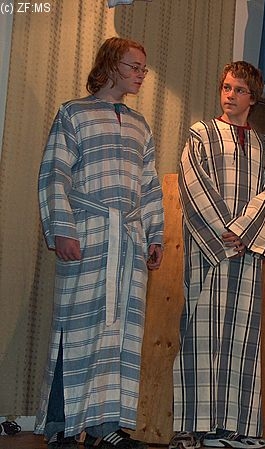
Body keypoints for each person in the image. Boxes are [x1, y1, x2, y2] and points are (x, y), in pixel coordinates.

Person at [35, 37, 164, 449]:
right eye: (134, 67)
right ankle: (62, 426)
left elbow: (149, 186)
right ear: (110, 66)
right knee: (75, 329)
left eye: (143, 68)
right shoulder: (74, 114)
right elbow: (55, 173)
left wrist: (155, 235)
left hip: (128, 243)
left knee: (121, 334)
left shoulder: (141, 125)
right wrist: (63, 229)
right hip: (87, 234)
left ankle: (107, 427)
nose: (141, 75)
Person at [170, 61, 265, 449]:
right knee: (200, 335)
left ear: (253, 98)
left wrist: (244, 232)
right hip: (209, 250)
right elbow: (192, 183)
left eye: (239, 90)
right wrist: (224, 232)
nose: (230, 95)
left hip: (245, 254)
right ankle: (191, 426)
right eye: (226, 87)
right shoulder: (200, 134)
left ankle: (233, 427)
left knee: (241, 338)